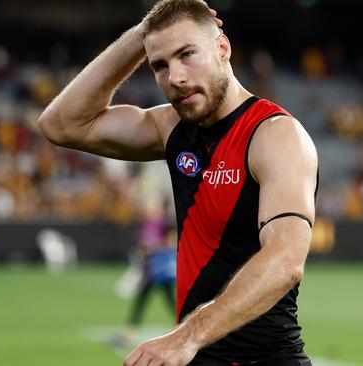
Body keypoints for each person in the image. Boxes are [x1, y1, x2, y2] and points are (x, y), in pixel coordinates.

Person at [37, 0, 318, 365]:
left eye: (187, 54)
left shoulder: (275, 135)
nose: (176, 78)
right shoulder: (172, 128)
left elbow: (285, 261)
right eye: (160, 65)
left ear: (222, 48)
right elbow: (60, 124)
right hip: (196, 356)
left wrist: (187, 335)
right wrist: (142, 34)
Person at [112, 197, 178, 349]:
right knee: (145, 302)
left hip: (160, 272)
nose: (149, 210)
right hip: (149, 271)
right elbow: (141, 247)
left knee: (168, 302)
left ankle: (183, 327)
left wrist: (154, 247)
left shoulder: (164, 224)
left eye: (152, 207)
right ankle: (127, 334)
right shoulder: (145, 226)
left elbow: (172, 242)